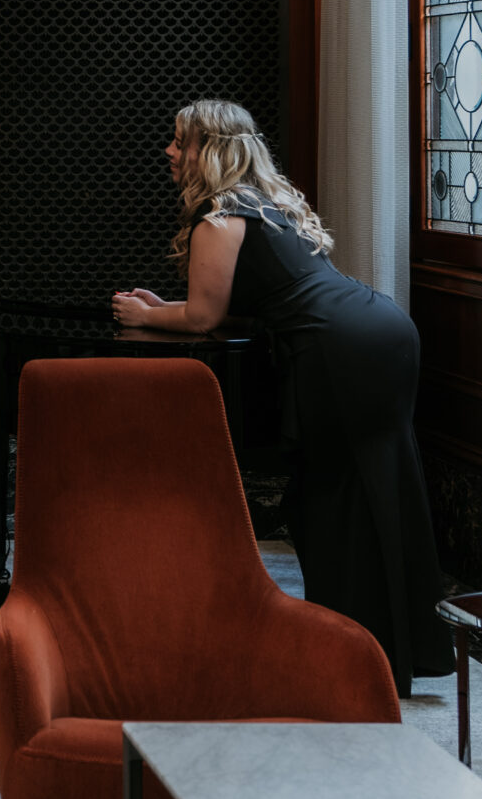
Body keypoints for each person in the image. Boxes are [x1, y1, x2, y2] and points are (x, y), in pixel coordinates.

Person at [111, 96, 450, 693]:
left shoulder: (219, 216)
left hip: (339, 350)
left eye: (179, 141)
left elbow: (202, 319)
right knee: (378, 491)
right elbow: (239, 301)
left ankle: (353, 664)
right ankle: (392, 658)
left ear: (209, 151)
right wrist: (165, 309)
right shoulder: (265, 203)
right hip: (380, 331)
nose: (168, 151)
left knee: (334, 502)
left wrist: (147, 315)